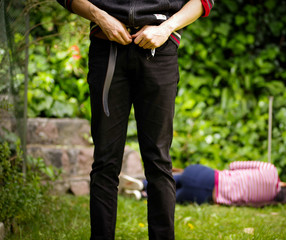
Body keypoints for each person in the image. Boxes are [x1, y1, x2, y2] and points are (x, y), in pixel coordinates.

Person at [55, 0, 214, 239]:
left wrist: (166, 28)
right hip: (106, 51)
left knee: (158, 160)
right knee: (105, 162)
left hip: (160, 51)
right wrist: (100, 16)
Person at [122, 161, 286, 206]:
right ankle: (143, 196)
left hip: (206, 177)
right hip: (206, 197)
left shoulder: (271, 170)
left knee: (175, 179)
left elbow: (235, 166)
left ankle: (144, 184)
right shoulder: (264, 203)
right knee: (173, 197)